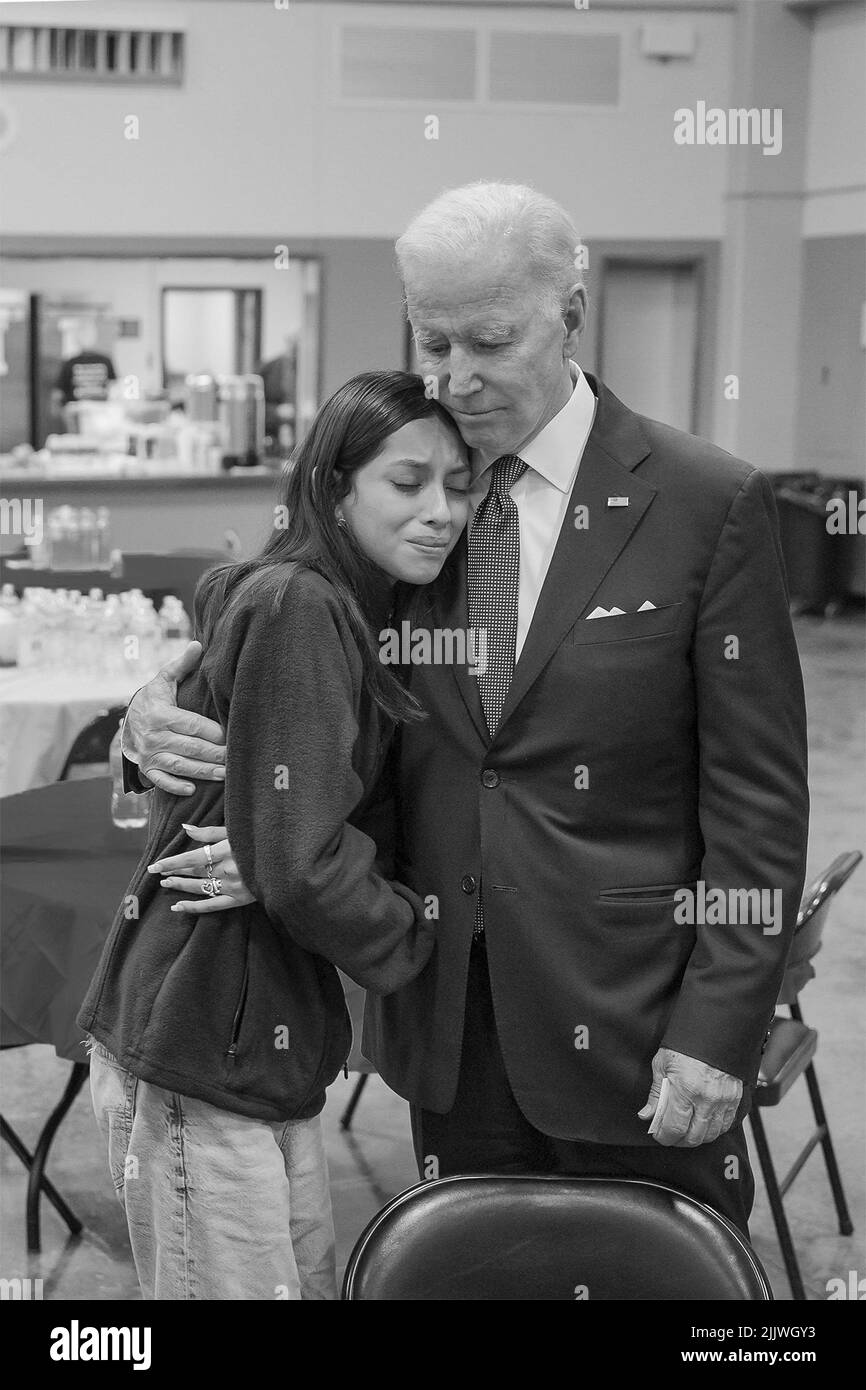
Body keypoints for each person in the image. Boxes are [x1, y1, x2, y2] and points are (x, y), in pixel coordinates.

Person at [122, 182, 809, 1239]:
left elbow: (756, 802)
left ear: (568, 314)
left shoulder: (703, 499)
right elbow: (270, 613)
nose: (454, 375)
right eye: (431, 339)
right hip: (445, 1019)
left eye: (488, 341)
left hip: (632, 1015)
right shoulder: (409, 492)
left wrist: (716, 1030)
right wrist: (152, 703)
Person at [77, 370, 470, 1299]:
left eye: (459, 484)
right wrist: (424, 934)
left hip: (250, 1030)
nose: (442, 511)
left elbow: (290, 834)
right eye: (407, 483)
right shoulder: (306, 605)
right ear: (335, 487)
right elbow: (297, 865)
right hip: (201, 1026)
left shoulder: (356, 602)